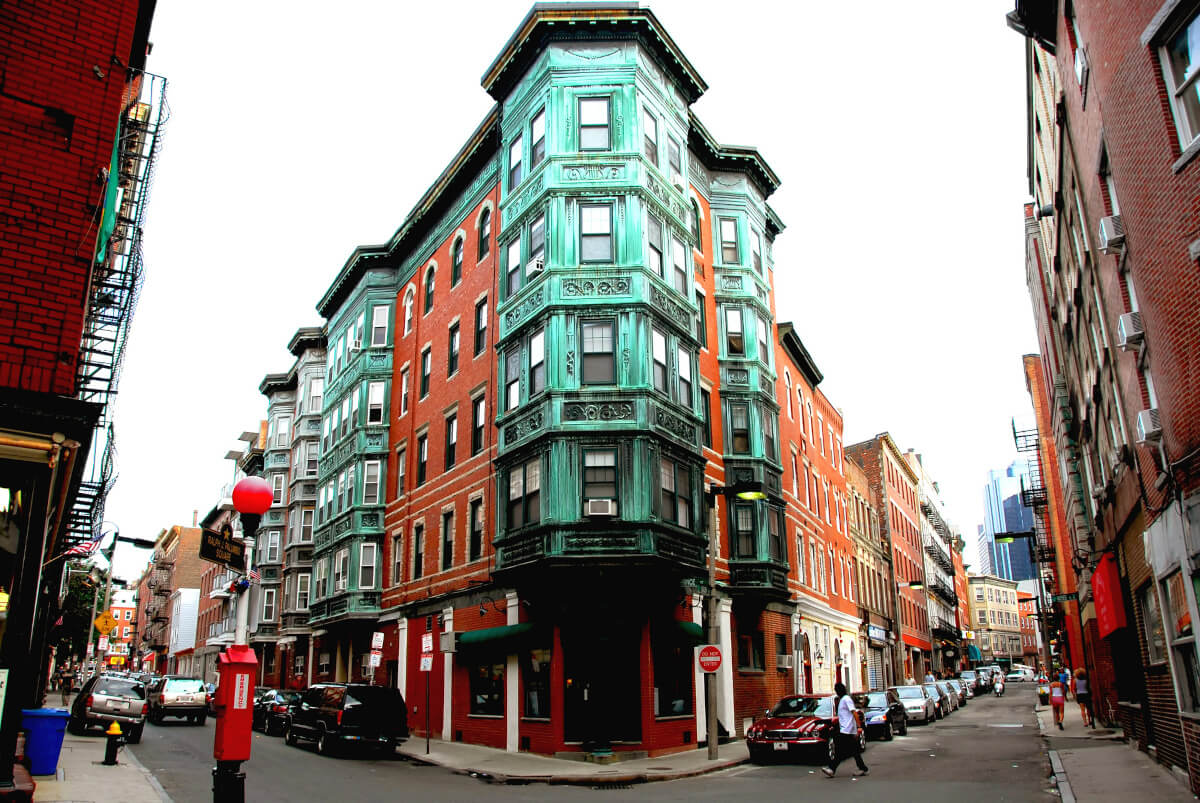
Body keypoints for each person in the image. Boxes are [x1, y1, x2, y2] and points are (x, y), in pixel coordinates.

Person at [822, 682, 869, 778]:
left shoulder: (846, 700)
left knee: (841, 750)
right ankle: (862, 768)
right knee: (853, 750)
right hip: (846, 729)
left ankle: (832, 769)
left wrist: (859, 727)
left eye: (836, 690)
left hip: (846, 730)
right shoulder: (843, 700)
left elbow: (854, 713)